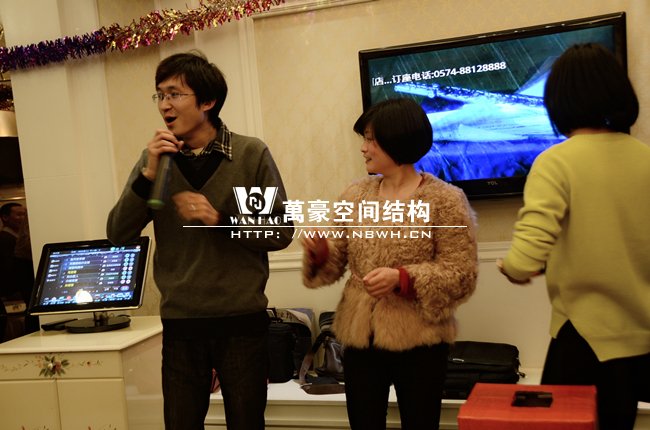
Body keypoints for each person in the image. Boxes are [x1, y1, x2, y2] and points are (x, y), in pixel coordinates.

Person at [107, 51, 293, 430]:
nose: (164, 105)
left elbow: (278, 231)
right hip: (182, 324)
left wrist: (220, 220)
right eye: (160, 95)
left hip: (241, 323)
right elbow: (118, 233)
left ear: (207, 101)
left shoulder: (248, 155)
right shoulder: (156, 160)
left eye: (175, 94)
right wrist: (147, 175)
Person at [498, 43, 650, 430]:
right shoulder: (645, 157)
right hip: (641, 335)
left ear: (558, 101)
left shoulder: (556, 161)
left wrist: (511, 267)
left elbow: (526, 256)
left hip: (584, 339)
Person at [302, 97, 478, 429]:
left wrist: (403, 278)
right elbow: (335, 262)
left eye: (371, 139)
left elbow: (461, 274)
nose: (363, 148)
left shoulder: (445, 199)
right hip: (361, 337)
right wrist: (320, 254)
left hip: (421, 339)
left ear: (397, 139)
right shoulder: (355, 196)